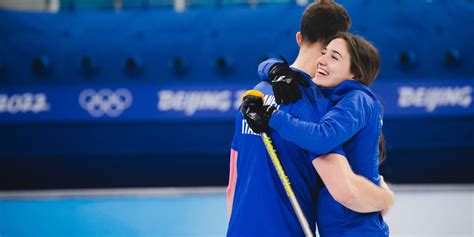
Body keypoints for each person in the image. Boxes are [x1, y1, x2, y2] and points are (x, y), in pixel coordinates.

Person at [227, 1, 393, 236]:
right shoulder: (316, 106)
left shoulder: (254, 96)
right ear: (335, 43)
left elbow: (232, 186)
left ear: (299, 38)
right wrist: (386, 197)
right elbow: (345, 190)